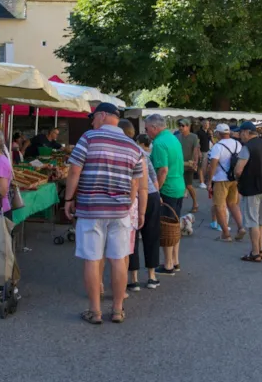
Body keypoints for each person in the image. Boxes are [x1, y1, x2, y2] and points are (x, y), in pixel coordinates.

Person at [64, 103, 146, 324]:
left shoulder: (89, 138)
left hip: (91, 208)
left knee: (92, 258)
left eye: (93, 117)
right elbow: (135, 184)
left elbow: (74, 170)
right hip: (120, 211)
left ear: (102, 116)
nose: (91, 122)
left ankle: (95, 311)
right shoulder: (134, 147)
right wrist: (127, 204)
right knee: (119, 259)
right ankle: (118, 309)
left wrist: (69, 199)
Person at [119, 122, 162, 291]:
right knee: (152, 235)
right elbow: (153, 176)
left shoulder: (122, 151)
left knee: (132, 237)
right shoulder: (141, 152)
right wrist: (157, 196)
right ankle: (152, 276)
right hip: (151, 195)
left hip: (133, 196)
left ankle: (134, 278)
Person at [145, 114, 185, 275]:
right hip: (178, 185)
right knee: (175, 225)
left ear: (155, 127)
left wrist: (156, 190)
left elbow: (162, 170)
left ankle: (168, 264)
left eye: (147, 129)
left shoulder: (159, 143)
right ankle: (175, 260)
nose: (147, 132)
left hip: (167, 188)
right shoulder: (173, 138)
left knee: (166, 227)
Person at [235, 121, 262, 262]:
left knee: (252, 220)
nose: (240, 136)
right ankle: (260, 248)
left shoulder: (247, 148)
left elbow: (239, 169)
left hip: (251, 187)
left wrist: (235, 176)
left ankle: (255, 252)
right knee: (261, 220)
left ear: (246, 132)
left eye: (241, 133)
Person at [207, 123, 245, 242]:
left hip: (220, 179)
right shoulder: (237, 144)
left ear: (218, 133)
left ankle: (226, 234)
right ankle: (241, 227)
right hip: (234, 179)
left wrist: (209, 181)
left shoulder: (217, 146)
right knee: (233, 204)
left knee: (220, 205)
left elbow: (213, 165)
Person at [175, 119, 201, 213]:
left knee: (189, 185)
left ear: (188, 126)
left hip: (189, 164)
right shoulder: (177, 136)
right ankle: (178, 204)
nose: (181, 127)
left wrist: (195, 162)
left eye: (183, 125)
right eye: (180, 125)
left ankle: (195, 203)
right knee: (179, 185)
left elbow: (195, 150)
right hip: (178, 164)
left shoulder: (193, 137)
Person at [197, 119, 212, 189]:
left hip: (207, 151)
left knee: (205, 166)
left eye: (208, 124)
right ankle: (201, 180)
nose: (207, 125)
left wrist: (211, 135)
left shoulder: (208, 132)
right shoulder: (199, 132)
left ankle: (203, 180)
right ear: (202, 124)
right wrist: (199, 151)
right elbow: (197, 143)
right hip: (202, 151)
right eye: (206, 124)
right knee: (201, 166)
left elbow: (212, 141)